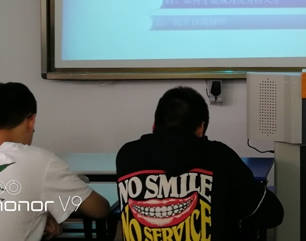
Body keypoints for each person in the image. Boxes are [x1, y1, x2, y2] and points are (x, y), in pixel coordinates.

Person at [116, 86, 284, 241]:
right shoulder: (220, 157)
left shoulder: (127, 155)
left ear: (154, 126)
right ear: (201, 128)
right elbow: (271, 214)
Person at [0, 82, 110, 241]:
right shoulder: (42, 162)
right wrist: (45, 209)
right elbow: (99, 209)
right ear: (31, 121)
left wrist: (35, 211)